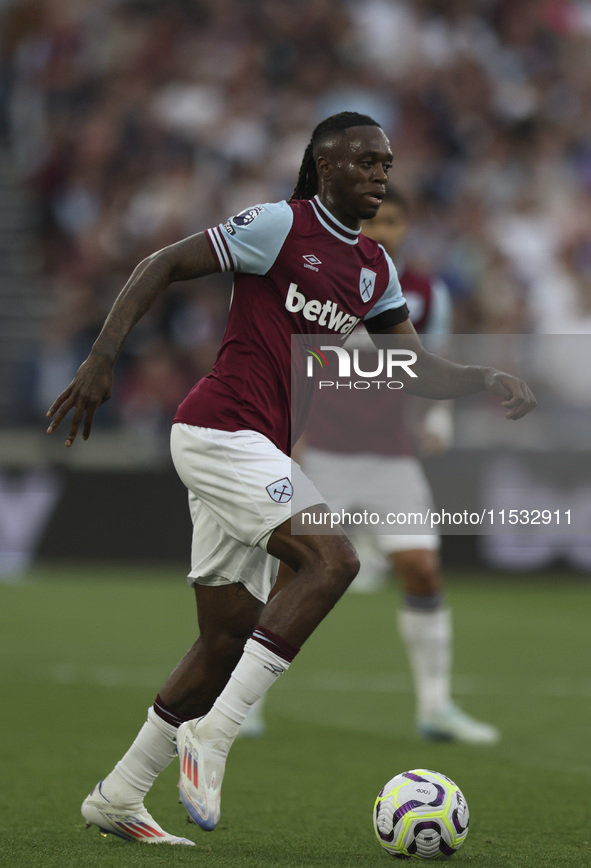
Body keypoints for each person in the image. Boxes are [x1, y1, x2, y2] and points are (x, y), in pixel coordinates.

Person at [46, 111, 536, 845]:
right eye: (366, 162)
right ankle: (214, 736)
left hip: (258, 445)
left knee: (225, 638)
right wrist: (101, 356)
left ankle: (118, 794)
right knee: (331, 559)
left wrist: (483, 376)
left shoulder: (374, 269)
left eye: (386, 163)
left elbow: (417, 368)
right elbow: (161, 264)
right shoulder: (280, 225)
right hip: (217, 429)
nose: (380, 175)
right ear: (324, 165)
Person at [244, 187, 498, 744]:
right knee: (291, 576)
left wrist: (440, 422)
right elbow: (294, 357)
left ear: (408, 228)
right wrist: (291, 435)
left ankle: (435, 708)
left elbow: (432, 362)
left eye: (394, 221)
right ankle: (245, 704)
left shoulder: (426, 293)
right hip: (324, 456)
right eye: (375, 220)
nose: (383, 230)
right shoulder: (323, 277)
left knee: (423, 571)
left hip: (390, 459)